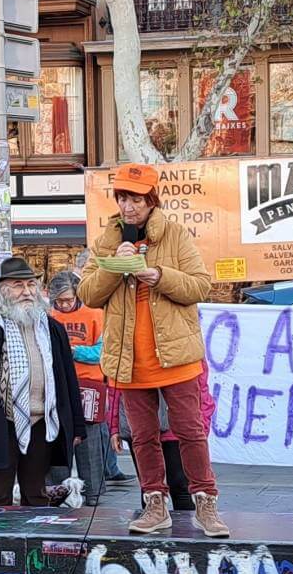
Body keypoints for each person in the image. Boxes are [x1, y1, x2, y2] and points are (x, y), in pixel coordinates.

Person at [78, 163, 229, 538]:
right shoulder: (107, 240)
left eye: (135, 198)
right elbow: (88, 293)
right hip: (130, 361)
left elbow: (200, 286)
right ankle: (154, 504)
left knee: (190, 432)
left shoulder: (175, 235)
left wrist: (159, 275)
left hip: (176, 358)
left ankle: (206, 503)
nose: (128, 207)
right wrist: (118, 266)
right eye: (122, 198)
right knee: (142, 437)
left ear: (151, 200)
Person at [0, 257, 86, 507]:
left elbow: (68, 379)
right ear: (3, 291)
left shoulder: (52, 328)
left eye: (31, 285)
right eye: (18, 285)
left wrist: (76, 425)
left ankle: (34, 544)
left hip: (42, 422)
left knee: (37, 493)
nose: (27, 292)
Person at [48, 270, 126, 506]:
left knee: (90, 440)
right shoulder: (48, 316)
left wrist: (73, 352)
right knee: (58, 437)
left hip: (89, 385)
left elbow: (102, 353)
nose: (63, 305)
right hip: (57, 384)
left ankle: (92, 493)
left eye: (68, 300)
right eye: (59, 301)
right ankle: (58, 491)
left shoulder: (96, 314)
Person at [108, 362, 215, 513]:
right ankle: (154, 523)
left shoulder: (182, 344)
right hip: (140, 423)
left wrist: (199, 426)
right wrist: (114, 426)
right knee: (149, 489)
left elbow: (200, 386)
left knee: (180, 485)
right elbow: (116, 385)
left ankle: (187, 531)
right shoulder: (127, 343)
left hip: (174, 425)